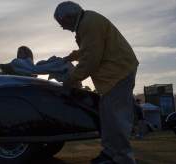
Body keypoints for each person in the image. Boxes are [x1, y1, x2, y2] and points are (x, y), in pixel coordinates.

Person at [54, 1, 139, 164]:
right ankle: (110, 153)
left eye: (62, 23)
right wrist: (71, 57)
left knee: (116, 118)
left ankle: (122, 158)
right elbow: (90, 48)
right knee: (108, 116)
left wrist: (70, 80)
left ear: (69, 17)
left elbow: (91, 60)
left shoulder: (88, 24)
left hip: (118, 73)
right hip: (115, 75)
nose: (63, 28)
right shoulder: (88, 21)